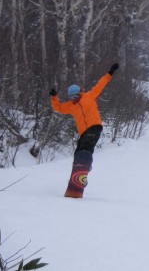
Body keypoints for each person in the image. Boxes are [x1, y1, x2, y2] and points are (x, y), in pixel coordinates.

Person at [50, 62, 119, 198]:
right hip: (83, 132)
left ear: (80, 93)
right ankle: (79, 174)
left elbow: (101, 84)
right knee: (78, 152)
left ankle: (84, 167)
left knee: (86, 148)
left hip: (94, 127)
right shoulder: (70, 106)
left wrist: (110, 72)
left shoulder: (89, 96)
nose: (73, 99)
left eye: (75, 96)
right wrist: (53, 97)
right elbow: (58, 108)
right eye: (71, 98)